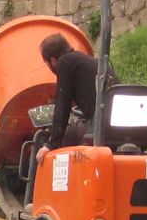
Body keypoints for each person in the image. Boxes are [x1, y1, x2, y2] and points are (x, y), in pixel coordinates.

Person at [35, 32, 116, 165]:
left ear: (53, 60)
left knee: (69, 134)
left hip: (101, 123)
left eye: (47, 63)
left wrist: (50, 145)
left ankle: (62, 182)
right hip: (117, 121)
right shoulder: (89, 61)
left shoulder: (65, 63)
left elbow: (62, 106)